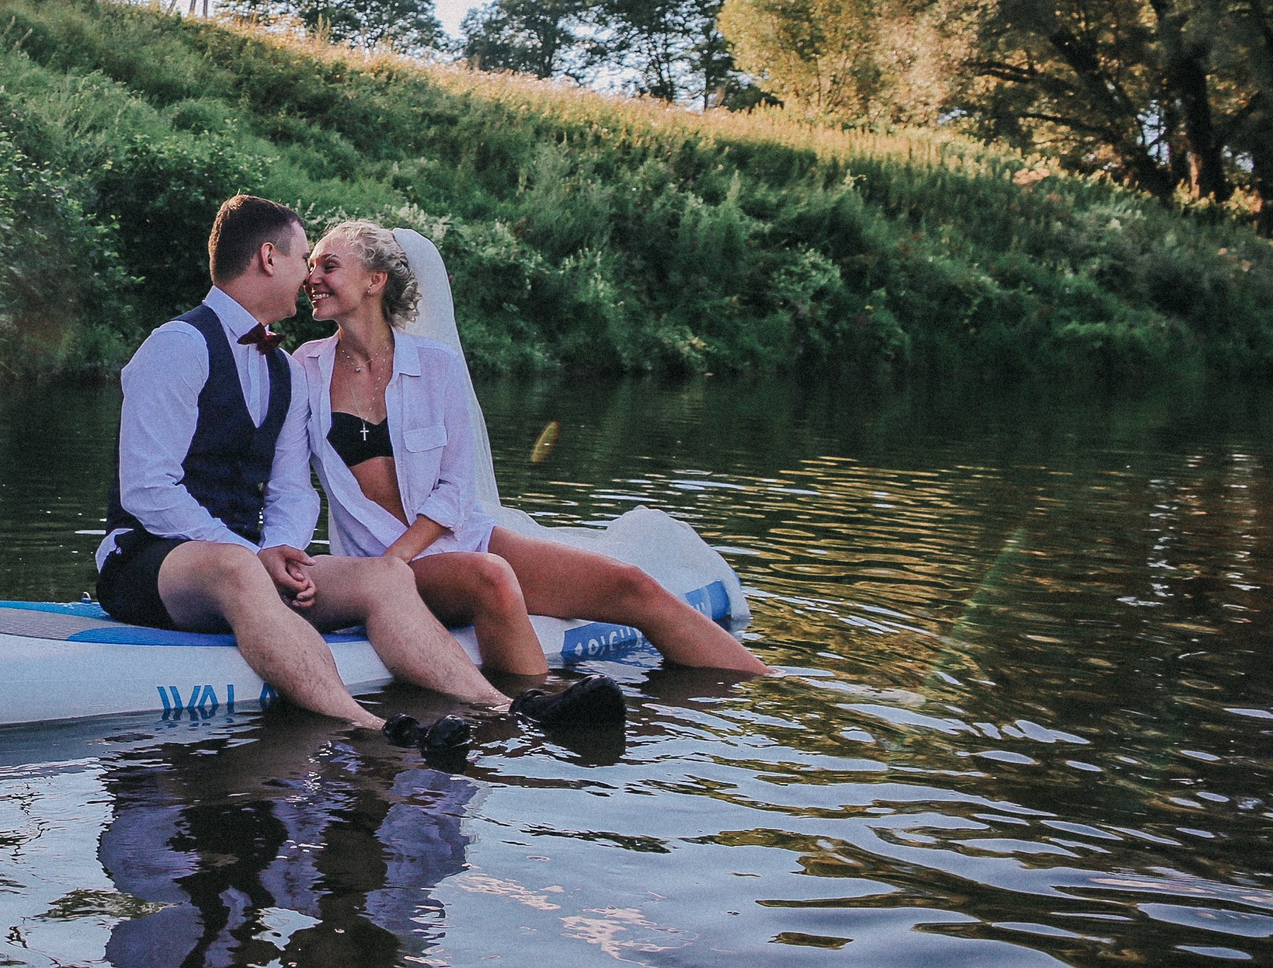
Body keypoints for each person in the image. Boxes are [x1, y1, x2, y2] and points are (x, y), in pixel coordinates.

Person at [94, 195, 523, 749]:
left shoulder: (284, 369)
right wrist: (253, 557)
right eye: (303, 259)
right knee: (235, 568)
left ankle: (503, 707)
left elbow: (294, 493)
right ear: (269, 258)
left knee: (387, 575)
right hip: (148, 560)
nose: (308, 278)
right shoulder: (177, 346)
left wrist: (285, 552)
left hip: (252, 563)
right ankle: (370, 724)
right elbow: (148, 491)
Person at [294, 219, 768, 693]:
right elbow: (287, 480)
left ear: (375, 281)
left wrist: (399, 557)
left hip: (450, 541)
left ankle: (766, 687)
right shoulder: (304, 371)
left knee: (631, 585)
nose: (311, 277)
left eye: (328, 266)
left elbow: (457, 487)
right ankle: (536, 720)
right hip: (376, 564)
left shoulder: (437, 365)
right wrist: (373, 566)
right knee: (491, 577)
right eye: (310, 266)